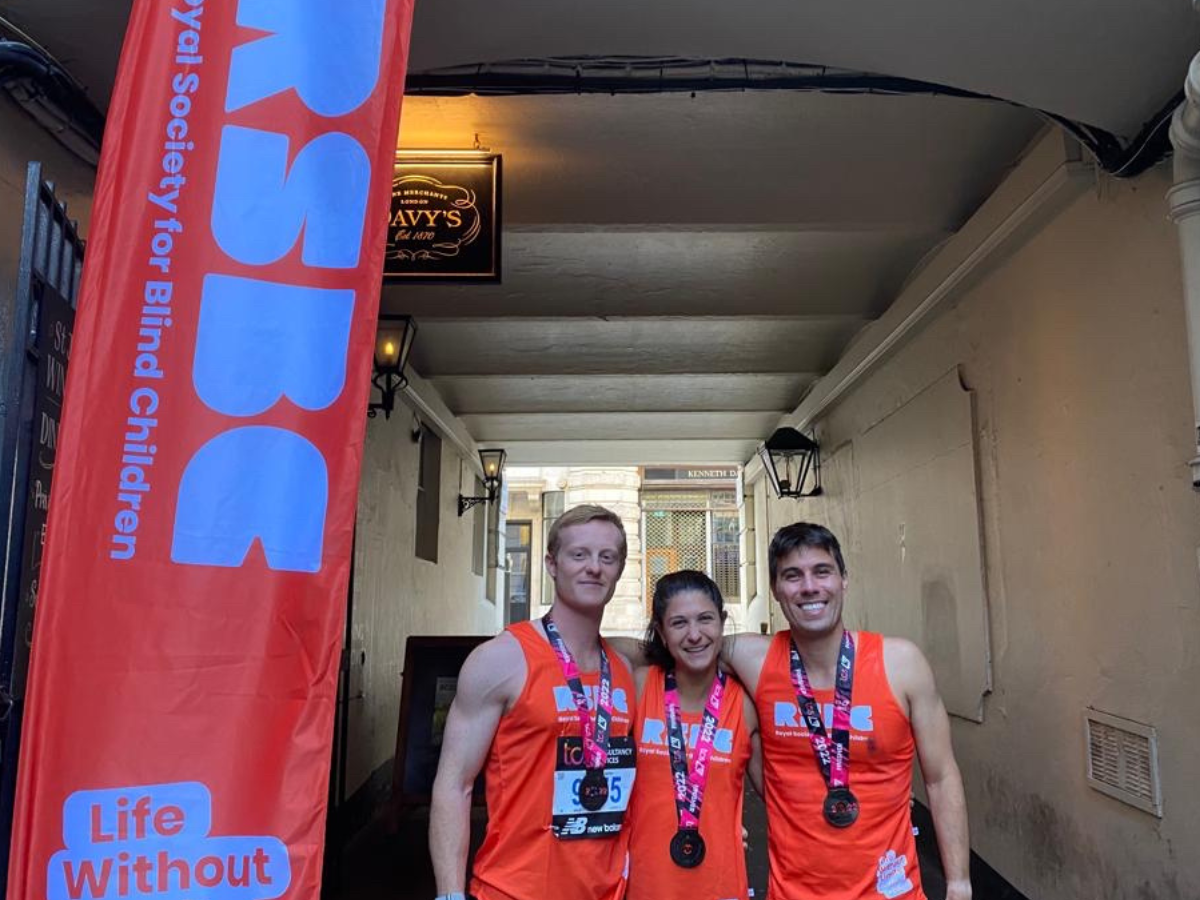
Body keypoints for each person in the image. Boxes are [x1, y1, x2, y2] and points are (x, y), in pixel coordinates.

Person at [722, 522, 971, 900]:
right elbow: (671, 647)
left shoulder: (900, 663)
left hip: (891, 892)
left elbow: (940, 777)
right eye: (793, 575)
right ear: (775, 589)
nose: (809, 587)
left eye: (822, 571)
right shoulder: (754, 660)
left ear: (843, 580)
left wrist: (959, 883)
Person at [429, 504, 638, 900]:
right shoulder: (501, 660)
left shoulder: (625, 671)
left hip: (608, 892)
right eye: (579, 554)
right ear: (552, 563)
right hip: (513, 890)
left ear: (619, 570)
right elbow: (454, 786)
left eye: (607, 557)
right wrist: (450, 895)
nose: (594, 567)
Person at [624, 570, 762, 900]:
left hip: (720, 884)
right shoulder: (639, 686)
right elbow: (592, 645)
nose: (695, 635)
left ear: (722, 622)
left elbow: (782, 798)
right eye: (679, 623)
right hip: (645, 886)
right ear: (660, 631)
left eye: (705, 619)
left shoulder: (744, 704)